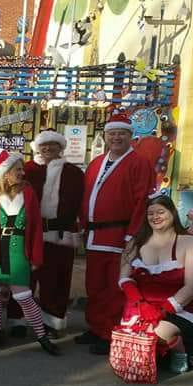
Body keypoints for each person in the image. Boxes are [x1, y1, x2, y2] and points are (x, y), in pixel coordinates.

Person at [80, 112, 155, 355]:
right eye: (112, 133)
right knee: (94, 284)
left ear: (130, 136)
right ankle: (95, 325)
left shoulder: (139, 163)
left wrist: (132, 234)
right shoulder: (96, 163)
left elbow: (142, 201)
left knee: (113, 287)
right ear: (106, 135)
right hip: (94, 236)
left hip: (118, 235)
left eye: (121, 133)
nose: (116, 137)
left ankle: (108, 331)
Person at [0, 151, 59, 355]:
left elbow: (37, 226)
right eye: (18, 169)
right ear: (6, 173)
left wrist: (36, 256)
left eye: (22, 169)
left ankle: (41, 336)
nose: (22, 173)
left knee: (24, 296)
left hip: (18, 250)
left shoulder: (28, 192)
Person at [119, 195, 193, 373]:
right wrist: (141, 304)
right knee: (132, 336)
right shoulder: (135, 243)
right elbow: (124, 278)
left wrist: (163, 310)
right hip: (143, 307)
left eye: (161, 212)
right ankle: (161, 351)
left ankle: (181, 350)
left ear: (172, 213)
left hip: (185, 307)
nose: (155, 217)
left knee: (153, 332)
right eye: (150, 213)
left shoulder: (190, 243)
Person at [25, 130, 84, 336]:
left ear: (61, 147)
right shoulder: (27, 170)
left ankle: (53, 321)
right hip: (30, 234)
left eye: (53, 144)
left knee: (57, 279)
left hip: (61, 234)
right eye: (44, 145)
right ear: (37, 147)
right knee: (26, 279)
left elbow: (80, 204)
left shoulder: (73, 173)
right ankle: (21, 320)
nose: (48, 148)